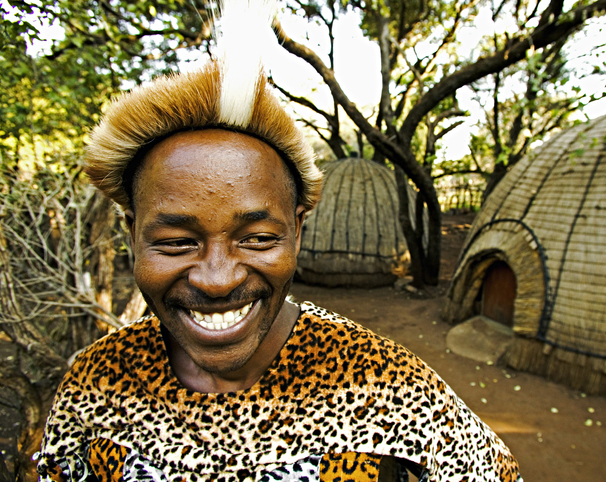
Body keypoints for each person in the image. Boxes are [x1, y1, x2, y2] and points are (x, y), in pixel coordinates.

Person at [36, 1, 522, 481]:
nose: (218, 280)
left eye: (259, 238)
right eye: (177, 242)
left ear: (297, 231)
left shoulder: (388, 387)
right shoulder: (98, 382)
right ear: (133, 238)